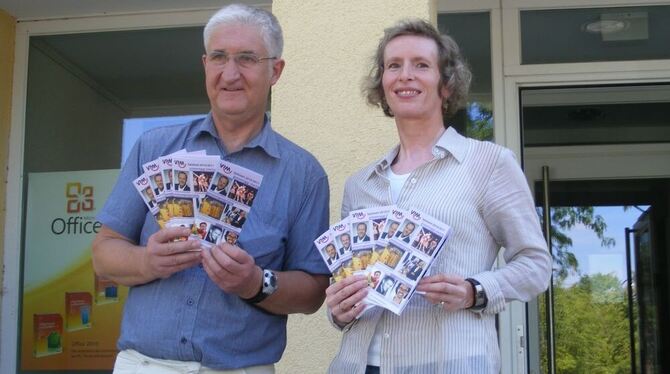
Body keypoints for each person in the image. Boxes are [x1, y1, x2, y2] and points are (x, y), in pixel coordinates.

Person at [92, 4, 330, 373]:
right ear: (205, 65)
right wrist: (147, 261)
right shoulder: (154, 148)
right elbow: (104, 255)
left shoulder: (303, 174)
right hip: (144, 365)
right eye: (219, 57)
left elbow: (313, 291)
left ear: (275, 70)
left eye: (247, 58)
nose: (230, 73)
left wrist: (255, 282)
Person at [325, 19, 551, 373]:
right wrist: (338, 310)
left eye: (421, 65)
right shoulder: (360, 185)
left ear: (446, 84)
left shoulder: (489, 164)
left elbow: (537, 265)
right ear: (382, 84)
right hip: (358, 363)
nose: (405, 75)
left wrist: (474, 290)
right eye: (393, 65)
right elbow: (349, 287)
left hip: (451, 362)